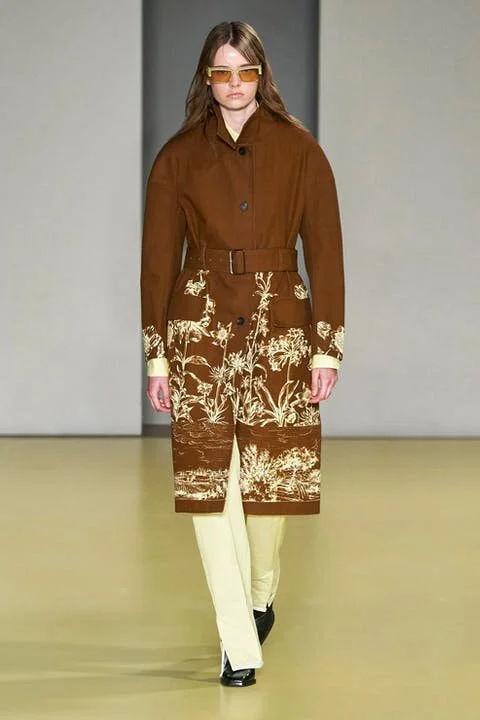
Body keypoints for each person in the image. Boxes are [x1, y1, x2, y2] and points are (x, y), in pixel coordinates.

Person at [141, 20, 345, 687]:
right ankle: (237, 637)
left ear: (262, 75)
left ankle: (259, 595)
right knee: (208, 487)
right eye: (222, 73)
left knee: (269, 487)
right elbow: (156, 264)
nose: (234, 84)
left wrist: (327, 348)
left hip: (280, 328)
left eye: (245, 71)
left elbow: (326, 252)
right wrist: (157, 357)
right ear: (207, 78)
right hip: (197, 331)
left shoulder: (301, 151)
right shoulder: (177, 157)